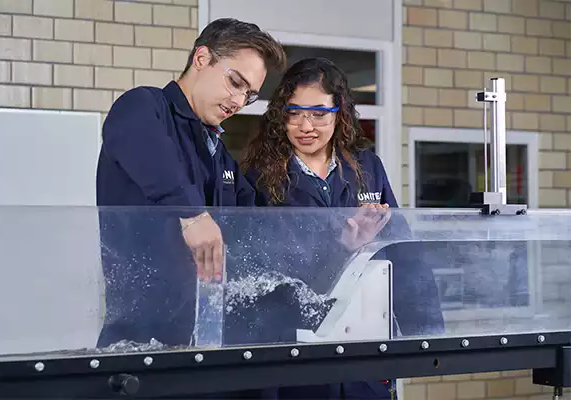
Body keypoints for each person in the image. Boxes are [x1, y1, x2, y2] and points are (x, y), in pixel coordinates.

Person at [240, 57, 445, 399]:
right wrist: (343, 245)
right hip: (295, 351)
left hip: (364, 346)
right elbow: (262, 270)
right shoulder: (259, 176)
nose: (306, 126)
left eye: (319, 113)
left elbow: (403, 250)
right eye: (294, 112)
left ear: (340, 112)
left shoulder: (367, 167)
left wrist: (427, 331)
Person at [95, 18, 286, 352]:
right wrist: (193, 215)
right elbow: (141, 142)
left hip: (202, 336)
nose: (238, 102)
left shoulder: (218, 153)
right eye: (235, 82)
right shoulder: (144, 107)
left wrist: (339, 237)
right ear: (201, 59)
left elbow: (257, 223)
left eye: (249, 94)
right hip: (139, 340)